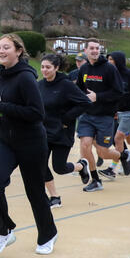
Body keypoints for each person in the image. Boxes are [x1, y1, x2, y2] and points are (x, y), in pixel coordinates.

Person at [0, 34, 58, 256]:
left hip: (31, 143)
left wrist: (4, 107)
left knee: (35, 192)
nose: (1, 51)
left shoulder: (26, 78)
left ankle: (48, 234)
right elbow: (0, 101)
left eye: (6, 47)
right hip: (6, 141)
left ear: (18, 51)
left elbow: (37, 113)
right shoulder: (1, 74)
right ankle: (4, 230)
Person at [38, 54, 92, 208]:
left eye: (48, 67)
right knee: (40, 166)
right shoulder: (39, 85)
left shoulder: (66, 85)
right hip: (44, 132)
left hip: (62, 132)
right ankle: (54, 196)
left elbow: (85, 103)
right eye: (42, 67)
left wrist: (66, 119)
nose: (45, 70)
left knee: (59, 168)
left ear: (56, 68)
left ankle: (81, 166)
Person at [75, 38, 124, 192]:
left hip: (105, 116)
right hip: (87, 116)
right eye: (92, 48)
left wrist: (99, 97)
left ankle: (122, 156)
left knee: (102, 151)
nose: (95, 51)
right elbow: (80, 90)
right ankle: (95, 180)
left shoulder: (109, 69)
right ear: (86, 51)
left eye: (97, 48)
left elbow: (118, 92)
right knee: (85, 145)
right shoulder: (83, 69)